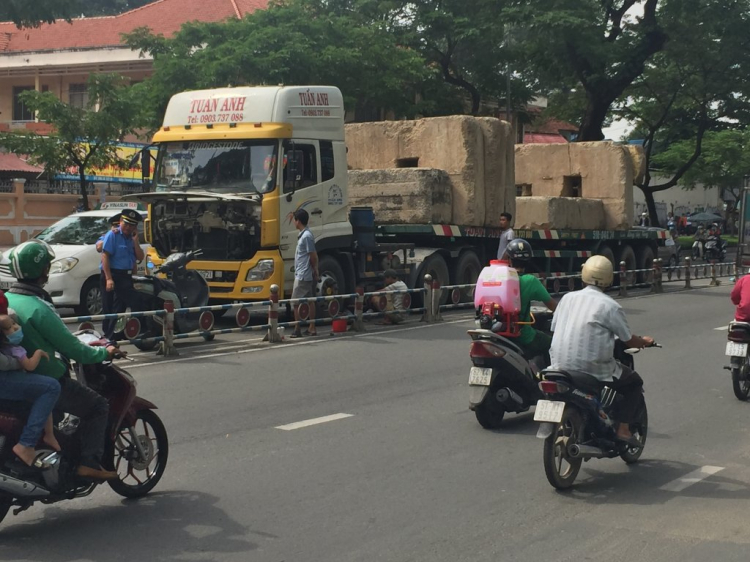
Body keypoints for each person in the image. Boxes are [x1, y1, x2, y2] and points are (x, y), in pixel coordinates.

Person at [3, 240, 120, 480]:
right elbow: (72, 348)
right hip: (45, 376)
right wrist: (102, 353)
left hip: (18, 376)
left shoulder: (9, 300)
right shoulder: (38, 307)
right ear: (43, 270)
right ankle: (89, 464)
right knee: (98, 406)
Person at [549, 255, 654, 445]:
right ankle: (623, 430)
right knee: (634, 383)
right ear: (609, 277)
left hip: (558, 365)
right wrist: (644, 341)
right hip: (591, 369)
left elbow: (556, 328)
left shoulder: (566, 298)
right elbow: (628, 340)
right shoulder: (610, 306)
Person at [0, 313, 61, 466]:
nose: (15, 328)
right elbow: (26, 365)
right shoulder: (15, 349)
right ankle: (27, 443)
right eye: (10, 328)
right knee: (51, 387)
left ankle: (48, 434)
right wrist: (38, 353)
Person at [505, 239, 557, 363]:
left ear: (509, 260)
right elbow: (553, 306)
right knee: (552, 343)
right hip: (522, 337)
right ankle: (549, 377)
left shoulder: (497, 278)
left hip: (497, 332)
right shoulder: (530, 281)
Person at [100, 209, 144, 339]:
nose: (128, 227)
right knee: (109, 307)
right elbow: (105, 256)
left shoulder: (132, 238)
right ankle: (108, 337)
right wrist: (109, 278)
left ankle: (117, 335)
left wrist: (135, 241)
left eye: (132, 225)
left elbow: (139, 257)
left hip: (126, 277)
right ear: (120, 222)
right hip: (113, 275)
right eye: (126, 224)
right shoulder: (112, 235)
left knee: (122, 306)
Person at [290, 209, 319, 338]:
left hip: (303, 274)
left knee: (295, 302)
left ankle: (297, 328)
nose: (293, 223)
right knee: (310, 300)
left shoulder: (306, 236)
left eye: (294, 220)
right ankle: (312, 327)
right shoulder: (304, 234)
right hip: (303, 273)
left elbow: (312, 255)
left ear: (298, 221)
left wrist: (315, 269)